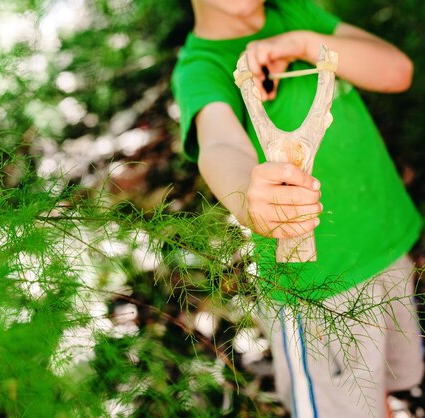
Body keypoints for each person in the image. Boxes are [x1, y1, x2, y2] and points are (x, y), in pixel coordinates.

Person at [171, 0, 424, 417]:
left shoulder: (295, 14)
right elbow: (219, 144)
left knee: (392, 386)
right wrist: (249, 198)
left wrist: (304, 43)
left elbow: (398, 71)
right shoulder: (202, 67)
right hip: (318, 294)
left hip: (384, 247)